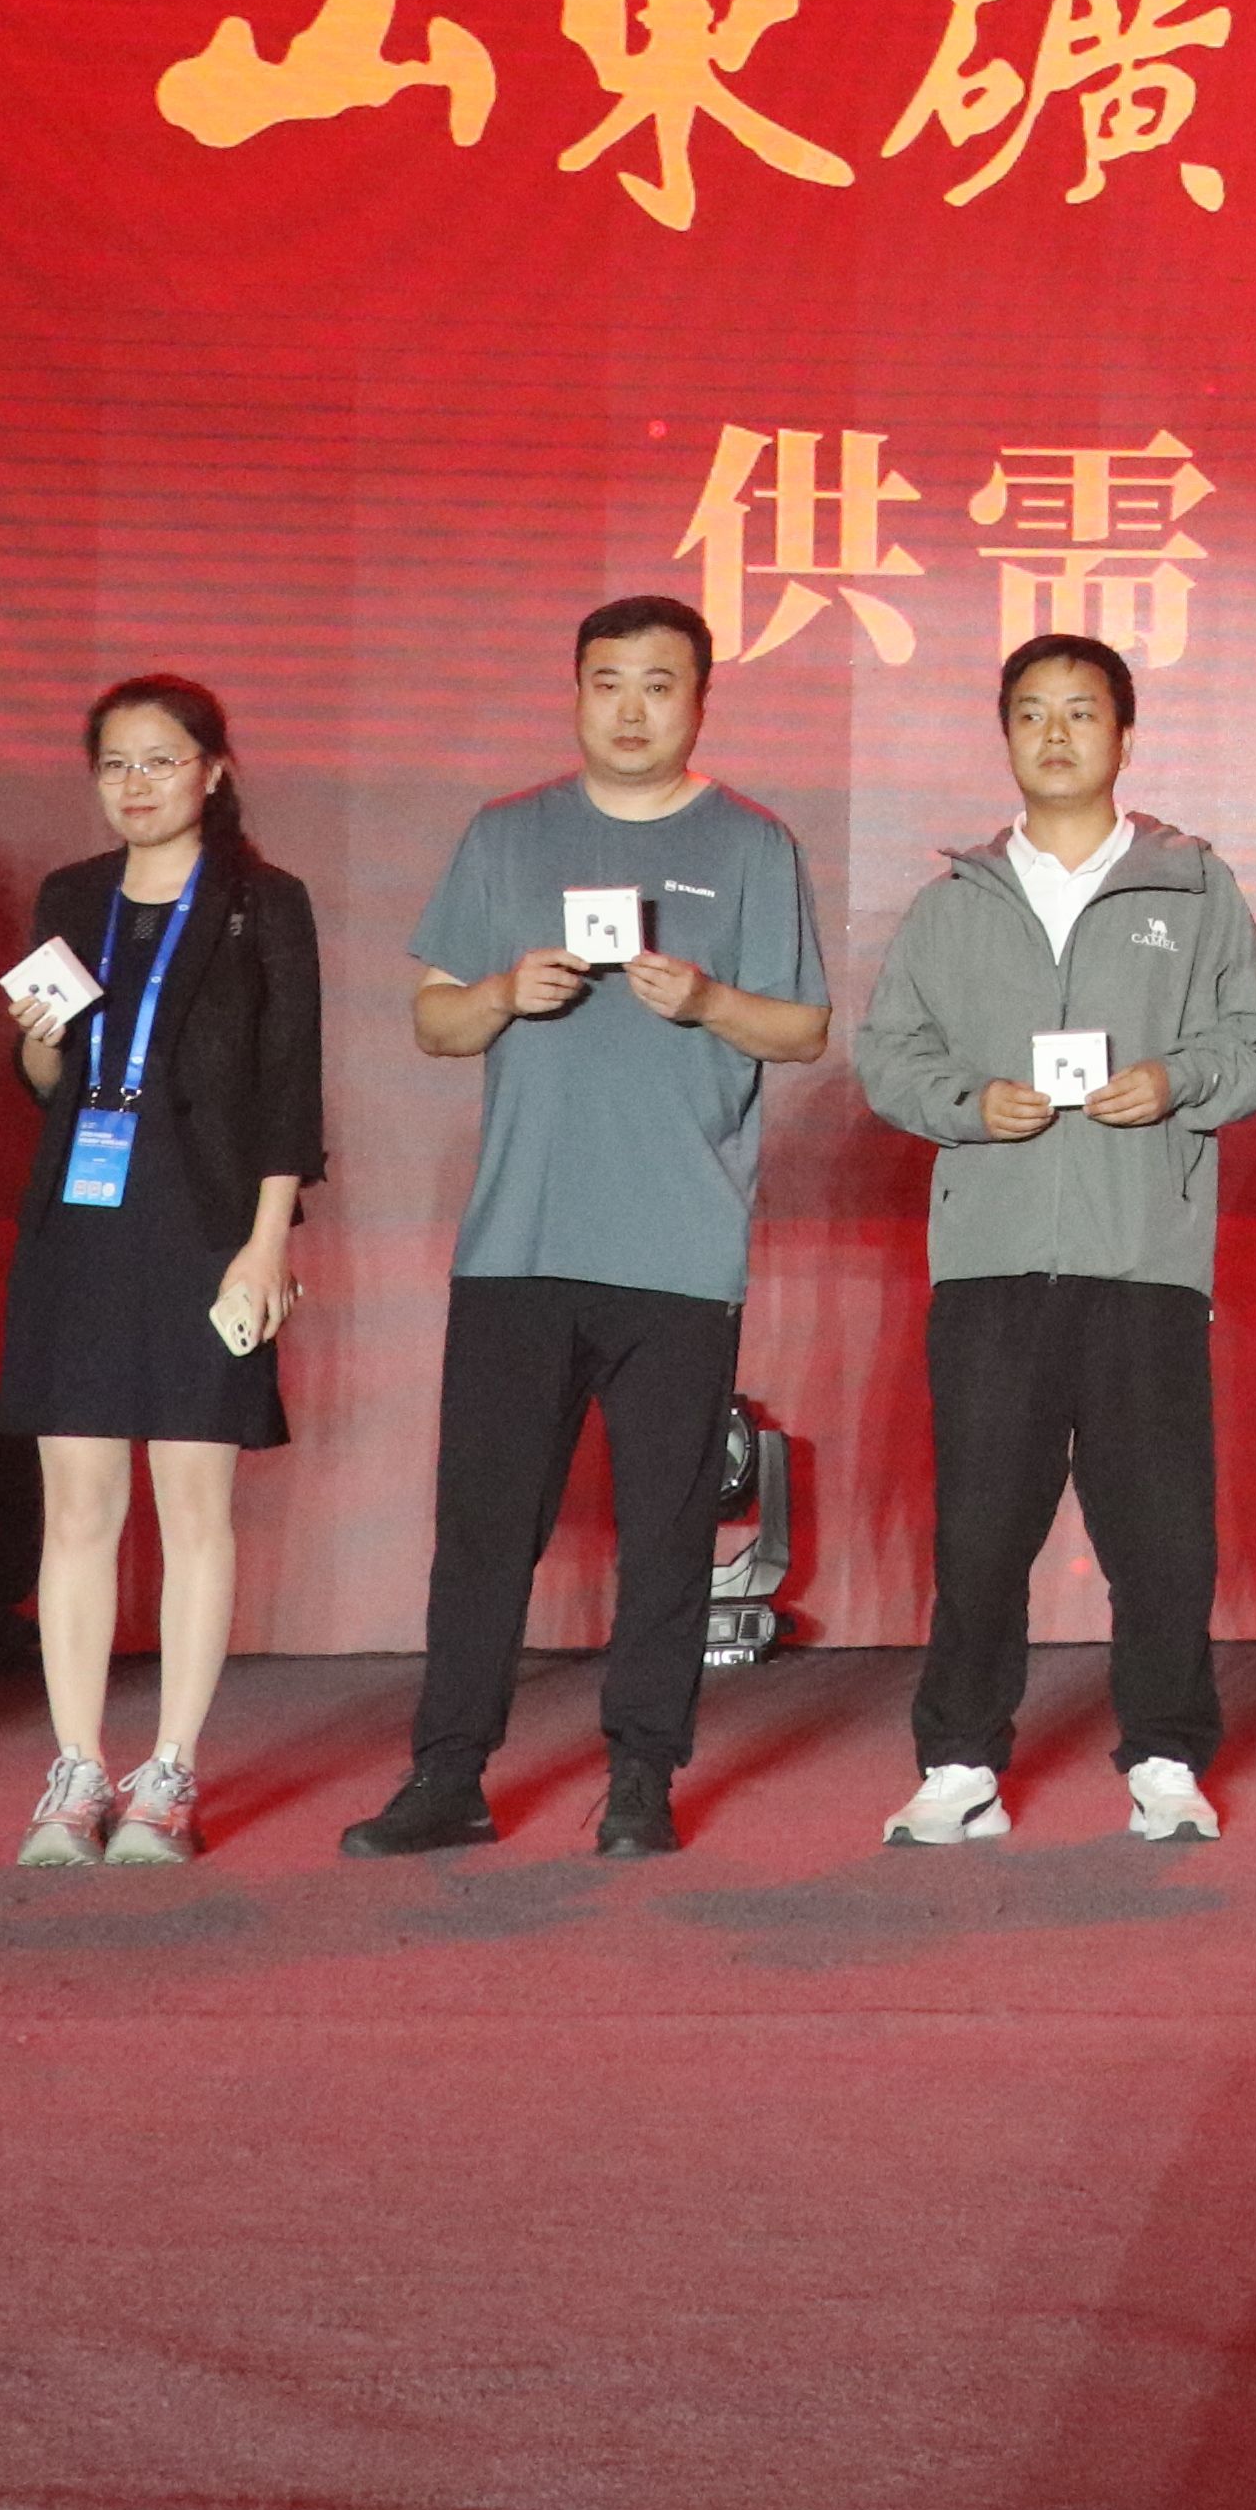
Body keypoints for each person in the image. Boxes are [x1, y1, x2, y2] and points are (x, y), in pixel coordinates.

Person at [343, 596, 830, 1862]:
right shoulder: (507, 834)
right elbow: (434, 1020)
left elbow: (802, 1028)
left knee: (668, 1530)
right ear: (574, 692)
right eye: (607, 681)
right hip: (520, 1239)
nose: (630, 708)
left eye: (659, 684)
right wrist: (505, 991)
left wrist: (709, 1000)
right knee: (485, 1529)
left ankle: (641, 1778)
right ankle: (448, 1773)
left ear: (700, 700)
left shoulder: (753, 842)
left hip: (680, 1246)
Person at [851, 630, 1256, 1849]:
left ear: (1125, 736)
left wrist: (1176, 1082)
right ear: (1005, 736)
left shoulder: (1193, 887)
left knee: (1160, 1532)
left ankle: (1166, 1759)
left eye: (1082, 711)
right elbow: (890, 1055)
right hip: (990, 1261)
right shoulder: (953, 900)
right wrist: (967, 1103)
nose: (1056, 733)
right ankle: (958, 1764)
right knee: (981, 1531)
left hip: (1142, 1255)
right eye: (1033, 712)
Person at [0, 676, 324, 1867]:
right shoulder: (71, 895)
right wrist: (38, 1049)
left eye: (160, 760)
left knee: (194, 1505)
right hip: (81, 1225)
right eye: (115, 765)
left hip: (208, 1225)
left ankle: (170, 1770)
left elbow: (290, 1082)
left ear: (213, 770)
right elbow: (48, 1085)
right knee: (79, 1505)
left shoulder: (263, 902)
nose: (136, 785)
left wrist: (267, 1241)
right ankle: (77, 1766)